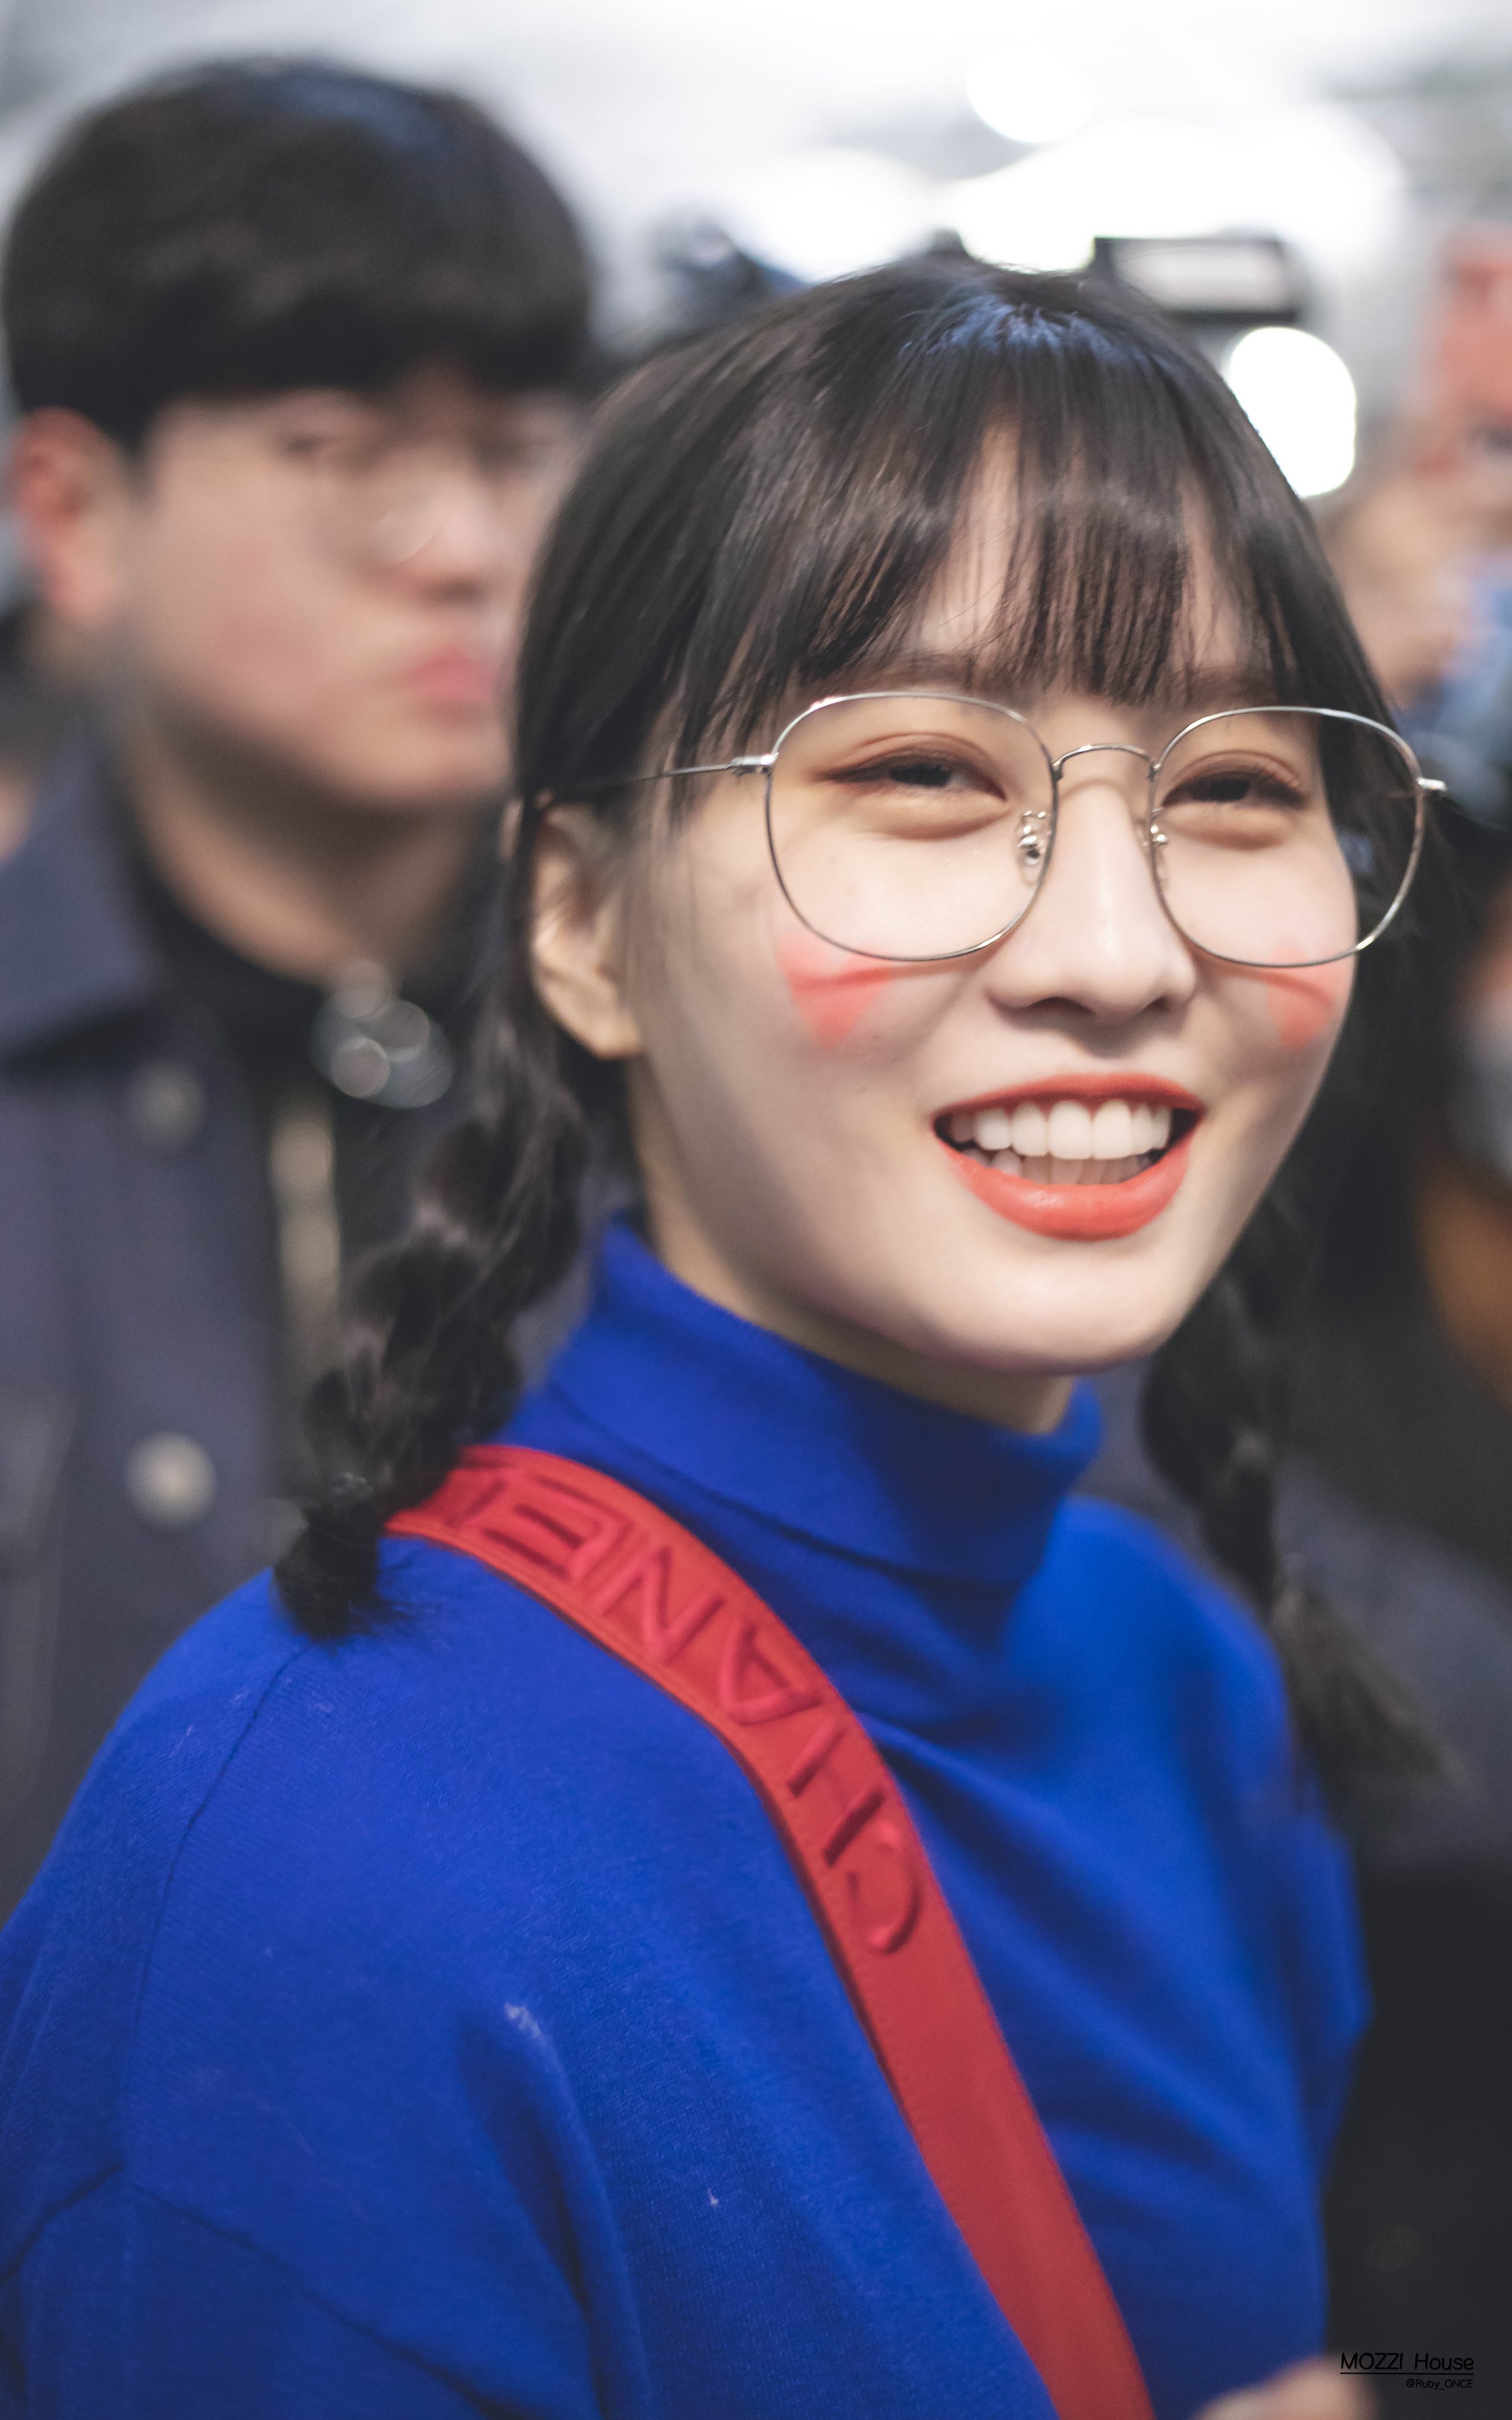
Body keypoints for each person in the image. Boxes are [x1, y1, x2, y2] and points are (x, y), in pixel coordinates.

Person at [0, 259, 1425, 2419]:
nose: (1121, 952)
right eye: (926, 772)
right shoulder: (307, 1869)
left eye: (1235, 786)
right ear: (581, 924)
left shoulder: (1182, 1682)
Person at [0, 59, 592, 1913]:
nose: (467, 550)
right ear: (79, 515)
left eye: (514, 452)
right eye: (343, 454)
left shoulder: (699, 1061)